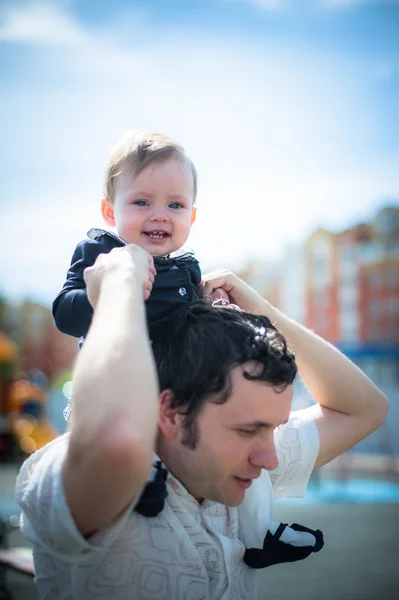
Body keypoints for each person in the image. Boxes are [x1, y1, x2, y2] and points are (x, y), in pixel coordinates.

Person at [16, 245, 388, 599]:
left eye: (274, 428)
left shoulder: (236, 474)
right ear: (170, 412)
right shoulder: (90, 489)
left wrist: (259, 312)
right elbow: (117, 442)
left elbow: (364, 408)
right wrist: (117, 287)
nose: (270, 459)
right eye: (248, 430)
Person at [52, 130, 201, 341]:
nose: (160, 216)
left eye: (175, 205)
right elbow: (65, 317)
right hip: (117, 368)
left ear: (191, 217)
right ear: (110, 212)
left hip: (179, 371)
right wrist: (99, 294)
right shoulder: (101, 253)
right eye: (141, 202)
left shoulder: (188, 266)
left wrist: (216, 302)